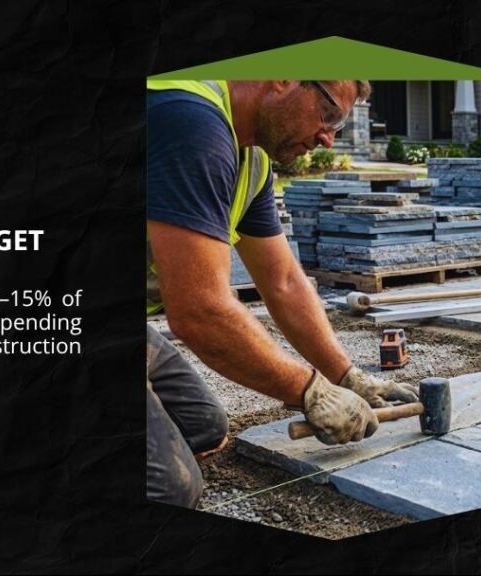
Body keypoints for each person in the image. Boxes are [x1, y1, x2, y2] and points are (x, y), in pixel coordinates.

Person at [145, 80, 419, 508]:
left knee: (203, 428)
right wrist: (310, 391)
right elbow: (200, 312)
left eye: (339, 126)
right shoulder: (189, 122)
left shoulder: (250, 157)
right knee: (168, 488)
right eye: (328, 114)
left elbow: (284, 281)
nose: (328, 137)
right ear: (282, 78)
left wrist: (347, 378)